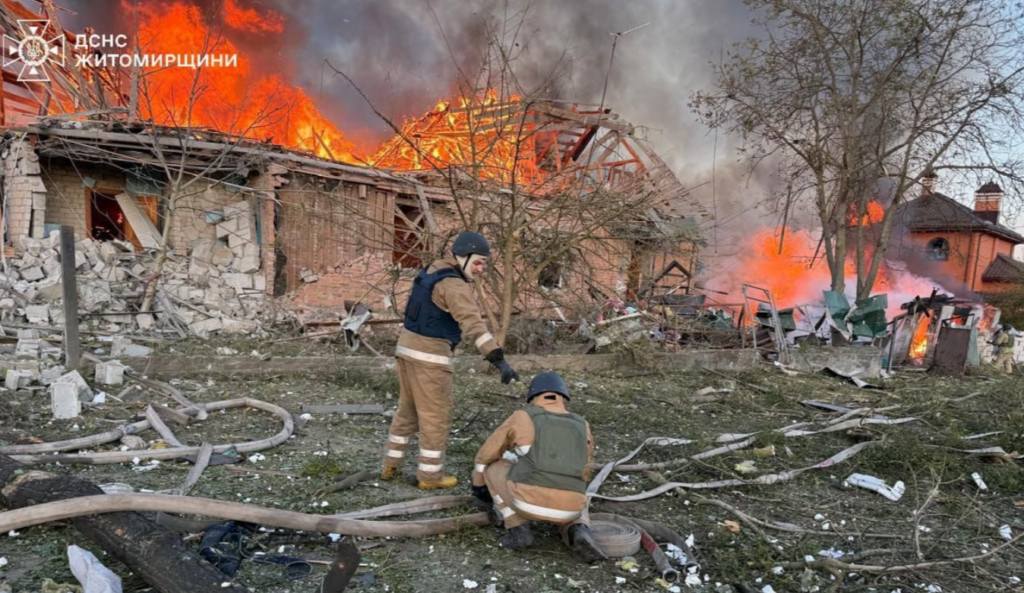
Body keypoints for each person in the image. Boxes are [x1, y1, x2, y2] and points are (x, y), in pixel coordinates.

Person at [380, 231, 519, 490]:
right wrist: (498, 359)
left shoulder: (432, 270)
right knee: (435, 418)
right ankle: (430, 477)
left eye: (483, 264)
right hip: (430, 358)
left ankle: (391, 465)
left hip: (405, 350)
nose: (480, 269)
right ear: (462, 257)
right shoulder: (454, 285)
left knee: (406, 411)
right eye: (477, 262)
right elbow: (473, 325)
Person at [469, 372, 606, 562]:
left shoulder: (523, 417)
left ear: (534, 396)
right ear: (563, 397)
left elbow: (486, 454)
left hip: (527, 504)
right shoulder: (582, 424)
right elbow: (584, 469)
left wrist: (478, 486)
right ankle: (578, 526)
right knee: (575, 483)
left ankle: (517, 528)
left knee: (493, 467)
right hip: (570, 509)